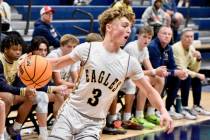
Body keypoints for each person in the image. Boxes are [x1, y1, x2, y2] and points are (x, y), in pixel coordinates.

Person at [47, 7, 173, 140]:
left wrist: (163, 111)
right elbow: (56, 63)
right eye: (124, 25)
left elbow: (149, 91)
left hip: (93, 123)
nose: (129, 30)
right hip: (70, 113)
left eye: (130, 27)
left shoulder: (130, 62)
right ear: (109, 27)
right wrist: (31, 61)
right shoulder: (88, 48)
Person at [122, 26, 168, 129]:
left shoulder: (145, 49)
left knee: (159, 79)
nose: (146, 40)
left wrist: (159, 72)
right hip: (124, 78)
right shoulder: (132, 47)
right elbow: (134, 73)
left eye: (149, 38)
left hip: (133, 77)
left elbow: (150, 69)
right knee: (145, 80)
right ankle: (139, 115)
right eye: (144, 37)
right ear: (138, 36)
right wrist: (154, 71)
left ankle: (150, 113)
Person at [0, 34, 36, 139]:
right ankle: (2, 131)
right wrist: (22, 90)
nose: (18, 52)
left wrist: (27, 89)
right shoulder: (0, 60)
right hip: (3, 91)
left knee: (31, 95)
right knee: (8, 97)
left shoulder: (18, 61)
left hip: (9, 91)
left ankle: (15, 128)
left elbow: (19, 82)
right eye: (14, 49)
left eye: (20, 49)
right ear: (5, 49)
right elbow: (2, 85)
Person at [148, 26, 188, 120]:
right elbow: (156, 69)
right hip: (152, 75)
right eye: (164, 33)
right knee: (166, 77)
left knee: (182, 77)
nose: (167, 36)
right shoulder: (153, 47)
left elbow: (172, 66)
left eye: (169, 34)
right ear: (158, 35)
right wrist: (174, 72)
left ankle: (169, 108)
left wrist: (180, 72)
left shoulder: (169, 48)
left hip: (163, 75)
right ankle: (156, 110)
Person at [172, 28, 210, 119]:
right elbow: (181, 68)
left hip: (183, 72)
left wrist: (198, 59)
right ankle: (184, 107)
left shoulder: (191, 48)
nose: (189, 39)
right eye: (187, 36)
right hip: (172, 73)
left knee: (195, 77)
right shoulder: (176, 48)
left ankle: (196, 106)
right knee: (187, 76)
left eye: (191, 37)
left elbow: (194, 69)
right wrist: (197, 74)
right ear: (181, 37)